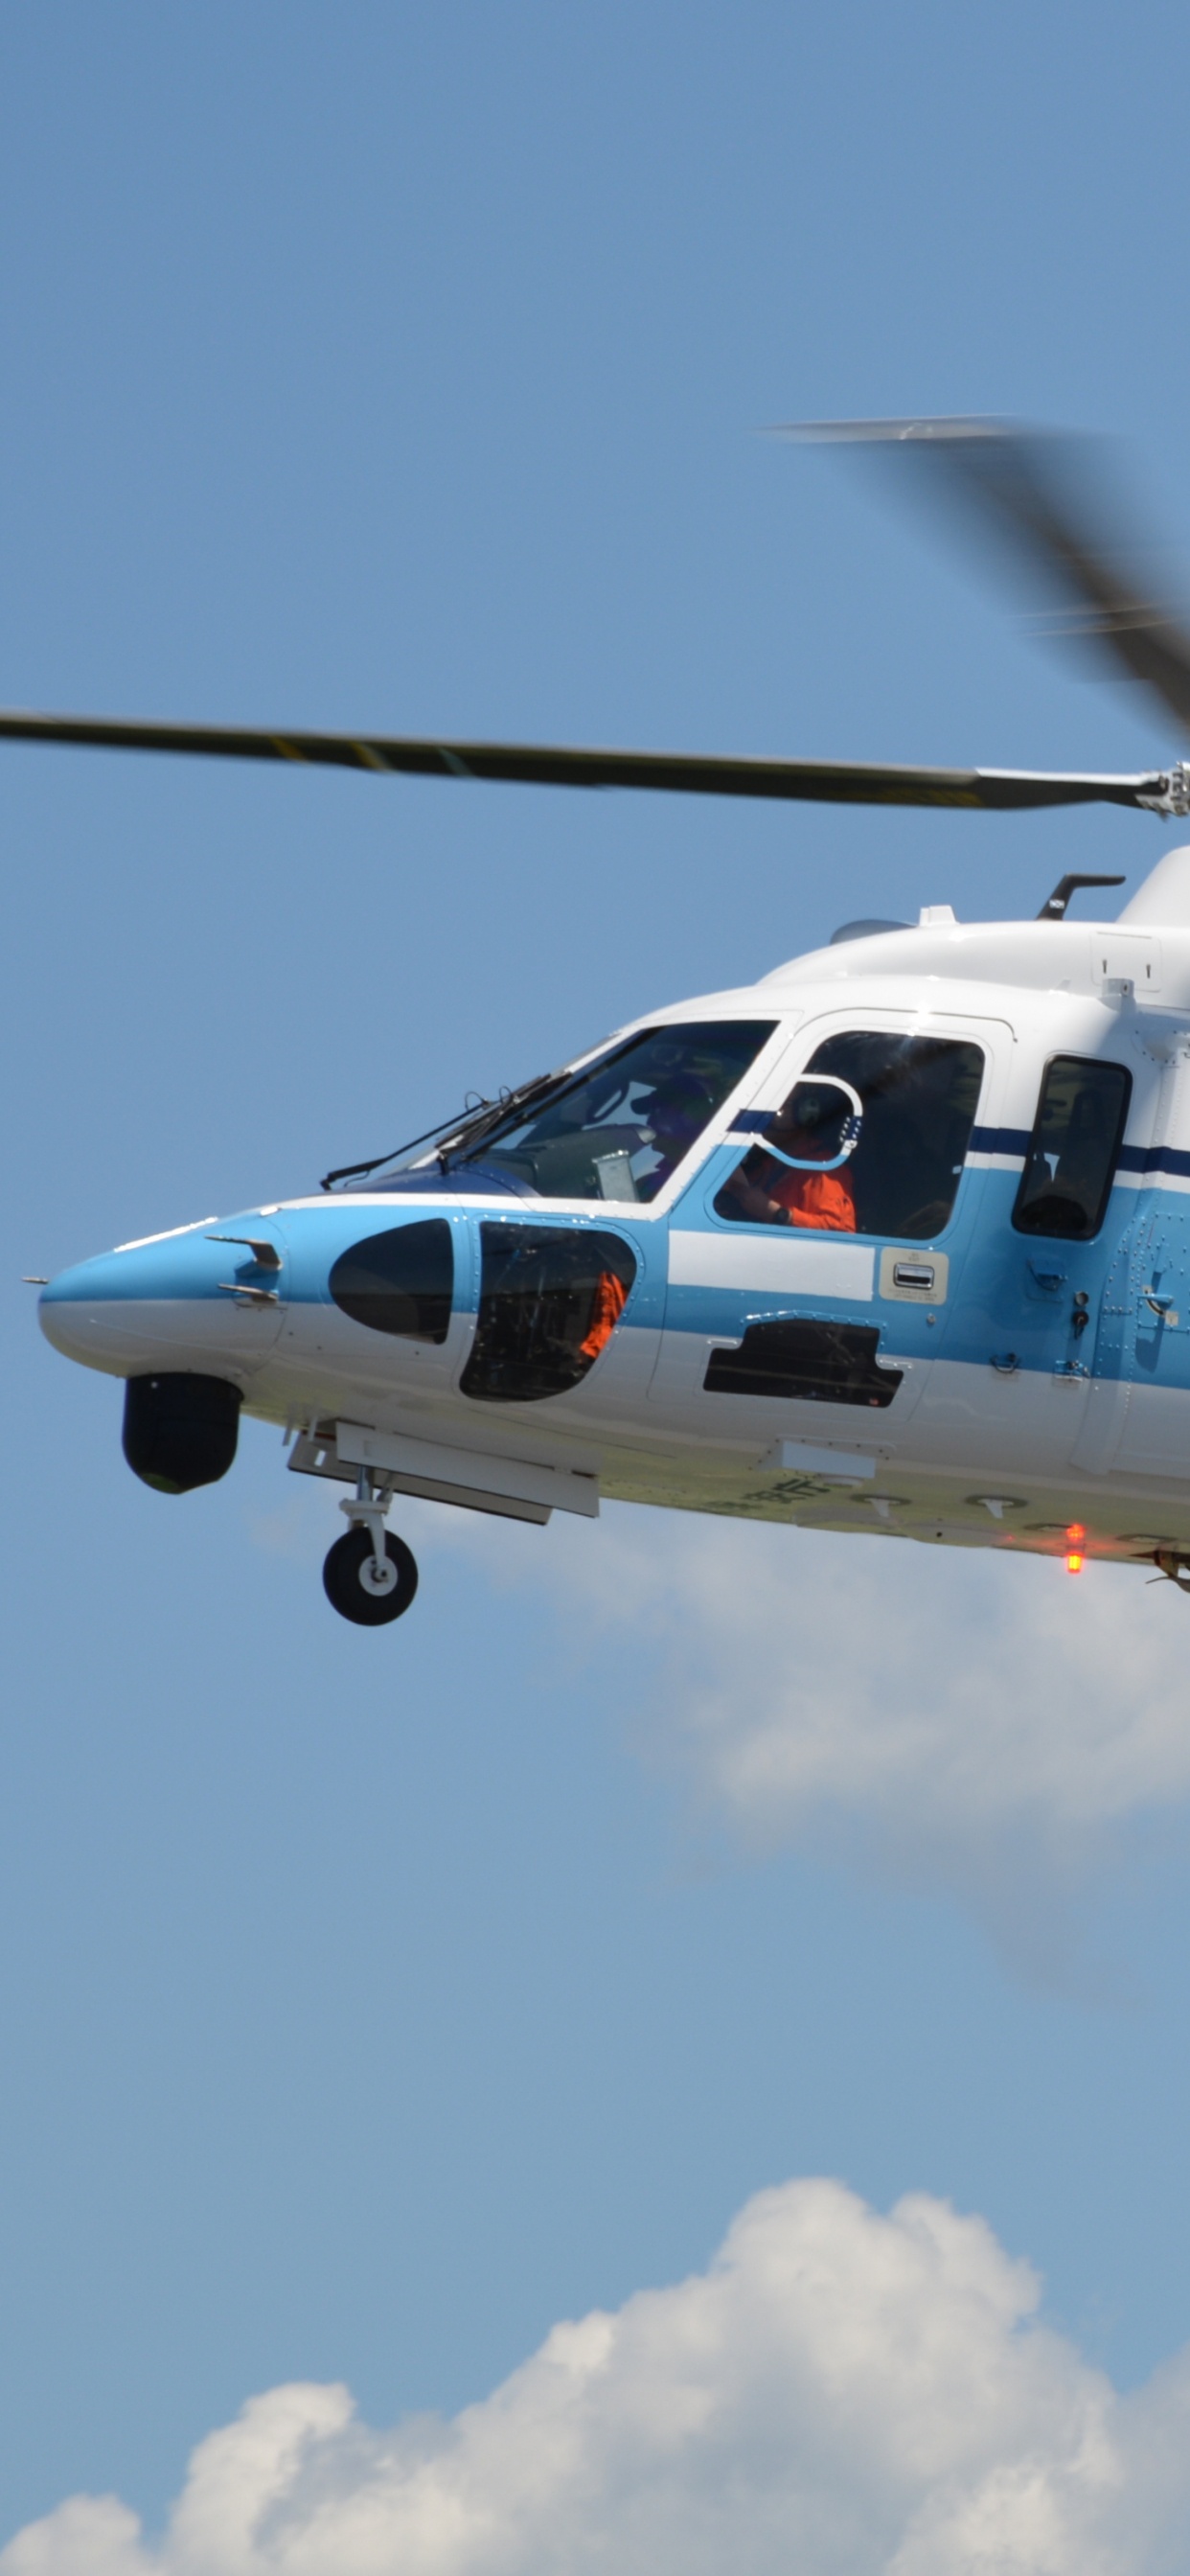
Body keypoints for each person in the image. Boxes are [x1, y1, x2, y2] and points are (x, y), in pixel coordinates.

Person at [719, 1083, 858, 1230]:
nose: (766, 1118)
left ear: (805, 1113)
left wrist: (774, 1213)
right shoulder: (770, 1161)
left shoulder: (824, 1168)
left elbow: (841, 1234)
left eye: (777, 1109)